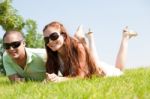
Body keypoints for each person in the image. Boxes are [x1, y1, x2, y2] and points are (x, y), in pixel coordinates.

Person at [43, 21, 137, 82]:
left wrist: (60, 79)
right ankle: (89, 37)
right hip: (93, 65)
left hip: (105, 73)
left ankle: (125, 37)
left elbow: (81, 77)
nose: (50, 41)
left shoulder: (77, 47)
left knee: (119, 69)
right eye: (46, 39)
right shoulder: (53, 57)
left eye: (54, 36)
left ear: (63, 35)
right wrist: (49, 79)